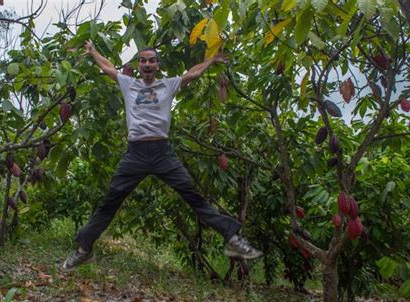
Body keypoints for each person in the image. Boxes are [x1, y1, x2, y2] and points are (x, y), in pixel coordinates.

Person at [62, 41, 263, 270]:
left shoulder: (168, 85)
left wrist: (211, 60)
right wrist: (92, 51)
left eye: (151, 60)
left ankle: (232, 239)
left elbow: (192, 74)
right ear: (138, 65)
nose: (147, 64)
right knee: (110, 201)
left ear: (157, 65)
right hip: (135, 154)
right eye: (143, 60)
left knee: (193, 195)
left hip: (162, 153)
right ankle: (84, 250)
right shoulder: (129, 84)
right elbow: (109, 68)